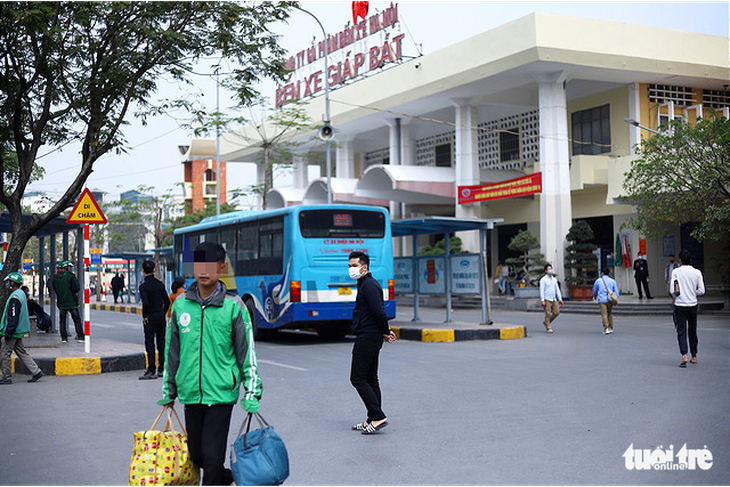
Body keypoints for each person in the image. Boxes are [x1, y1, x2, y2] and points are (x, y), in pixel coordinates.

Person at [157, 241, 261, 486]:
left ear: (222, 268)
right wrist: (169, 390)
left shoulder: (234, 307)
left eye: (210, 265)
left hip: (222, 393)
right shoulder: (180, 305)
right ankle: (231, 479)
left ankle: (219, 478)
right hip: (190, 392)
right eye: (198, 265)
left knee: (212, 457)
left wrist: (252, 391)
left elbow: (248, 353)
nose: (203, 270)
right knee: (196, 454)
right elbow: (172, 353)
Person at [348, 251, 396, 435]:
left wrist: (385, 330)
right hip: (372, 334)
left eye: (354, 265)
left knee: (357, 378)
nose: (351, 269)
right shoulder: (366, 284)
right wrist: (385, 331)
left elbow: (379, 312)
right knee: (370, 378)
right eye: (350, 265)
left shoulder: (368, 285)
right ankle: (372, 418)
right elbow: (376, 313)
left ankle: (377, 416)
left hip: (368, 336)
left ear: (364, 267)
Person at [1, 273, 44, 384]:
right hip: (18, 330)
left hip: (13, 331)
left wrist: (8, 332)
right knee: (22, 352)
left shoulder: (15, 297)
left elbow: (13, 316)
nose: (7, 284)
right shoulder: (20, 293)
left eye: (9, 282)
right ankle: (36, 371)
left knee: (4, 353)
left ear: (13, 283)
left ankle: (6, 377)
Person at [671, 249, 705, 368]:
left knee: (681, 330)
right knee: (692, 330)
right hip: (692, 305)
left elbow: (673, 290)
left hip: (680, 305)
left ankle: (684, 355)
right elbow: (702, 290)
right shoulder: (697, 272)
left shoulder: (676, 272)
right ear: (690, 260)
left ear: (680, 260)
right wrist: (692, 292)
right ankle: (694, 356)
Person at [138, 260, 170, 380]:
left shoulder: (143, 286)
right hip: (160, 315)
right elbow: (166, 301)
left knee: (150, 343)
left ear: (143, 270)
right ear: (154, 270)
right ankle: (161, 369)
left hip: (150, 316)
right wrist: (163, 312)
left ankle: (151, 370)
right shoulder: (160, 284)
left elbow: (145, 303)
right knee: (161, 342)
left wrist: (145, 316)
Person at [51, 260, 84, 343]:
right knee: (77, 320)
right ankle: (80, 336)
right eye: (70, 267)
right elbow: (77, 287)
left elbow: (54, 289)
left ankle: (64, 338)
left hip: (61, 303)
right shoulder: (70, 276)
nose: (71, 269)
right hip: (72, 302)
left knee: (62, 321)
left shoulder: (55, 278)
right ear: (66, 267)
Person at [592, 268, 619, 335]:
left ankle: (606, 328)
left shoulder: (598, 281)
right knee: (609, 313)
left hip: (602, 300)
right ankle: (611, 327)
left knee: (604, 314)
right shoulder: (612, 281)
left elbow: (594, 290)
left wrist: (595, 296)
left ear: (602, 273)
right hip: (610, 300)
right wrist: (615, 300)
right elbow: (616, 292)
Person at [539, 263, 563, 333]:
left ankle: (546, 322)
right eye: (549, 269)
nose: (551, 270)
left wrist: (560, 299)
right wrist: (542, 300)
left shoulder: (554, 279)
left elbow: (557, 289)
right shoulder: (543, 280)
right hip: (547, 299)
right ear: (545, 271)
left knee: (556, 312)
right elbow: (542, 290)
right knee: (548, 313)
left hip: (553, 298)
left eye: (551, 269)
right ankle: (548, 327)